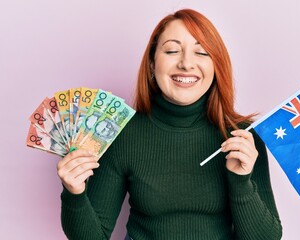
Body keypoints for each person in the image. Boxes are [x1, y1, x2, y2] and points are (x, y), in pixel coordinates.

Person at [57, 8, 283, 240]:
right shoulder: (120, 133)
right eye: (172, 50)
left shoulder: (242, 137)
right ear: (153, 64)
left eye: (202, 53)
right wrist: (74, 193)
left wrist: (241, 181)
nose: (186, 64)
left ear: (216, 67)